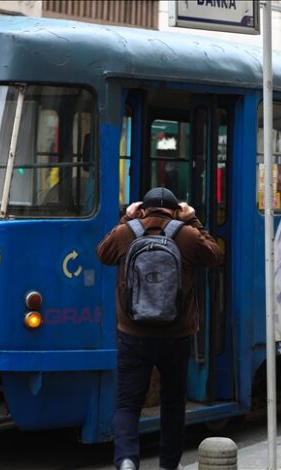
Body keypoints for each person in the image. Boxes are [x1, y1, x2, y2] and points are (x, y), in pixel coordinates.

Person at [97, 187, 223, 470]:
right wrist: (193, 221)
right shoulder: (187, 235)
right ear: (175, 211)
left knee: (128, 403)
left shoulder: (126, 233)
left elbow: (102, 253)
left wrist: (124, 219)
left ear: (143, 210)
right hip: (176, 335)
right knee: (173, 403)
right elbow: (214, 255)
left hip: (133, 334)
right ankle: (169, 465)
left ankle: (127, 460)